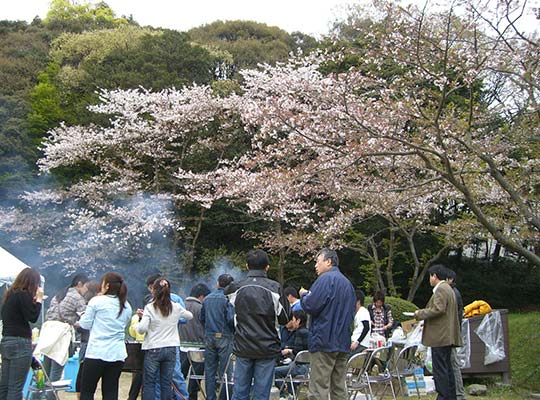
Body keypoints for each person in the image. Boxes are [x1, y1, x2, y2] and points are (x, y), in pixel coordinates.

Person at [224, 250, 291, 400]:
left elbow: (229, 313)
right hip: (267, 348)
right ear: (267, 267)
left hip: (243, 346)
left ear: (247, 266)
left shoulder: (235, 288)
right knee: (261, 394)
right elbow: (285, 318)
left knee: (240, 393)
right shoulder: (275, 288)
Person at [299, 248, 355, 400]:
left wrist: (304, 296)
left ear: (328, 262)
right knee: (339, 387)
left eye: (318, 262)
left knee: (319, 388)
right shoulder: (347, 284)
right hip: (342, 341)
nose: (315, 266)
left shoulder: (325, 279)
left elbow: (311, 305)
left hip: (324, 341)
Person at [135, 277, 193, 400]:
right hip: (171, 347)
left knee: (150, 382)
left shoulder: (150, 307)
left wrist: (136, 325)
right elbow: (189, 316)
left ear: (154, 290)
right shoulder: (175, 306)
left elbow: (142, 329)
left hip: (154, 348)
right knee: (166, 382)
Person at [78, 272, 132, 400]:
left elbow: (85, 324)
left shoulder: (97, 301)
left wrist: (82, 317)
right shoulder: (126, 305)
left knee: (87, 391)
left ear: (107, 286)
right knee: (111, 392)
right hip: (117, 354)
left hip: (97, 352)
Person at [414, 264, 462, 400]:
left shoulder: (441, 289)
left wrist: (419, 313)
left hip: (440, 336)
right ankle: (451, 396)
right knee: (447, 368)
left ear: (435, 276)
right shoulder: (448, 288)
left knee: (440, 369)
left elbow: (438, 309)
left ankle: (443, 396)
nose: (429, 279)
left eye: (430, 276)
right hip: (447, 335)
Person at [0, 267, 44, 400]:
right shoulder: (23, 294)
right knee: (15, 387)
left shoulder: (9, 295)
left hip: (7, 340)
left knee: (5, 385)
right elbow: (32, 316)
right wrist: (39, 300)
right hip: (20, 342)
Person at [43, 273, 89, 393]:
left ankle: (38, 396)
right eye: (85, 287)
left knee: (46, 371)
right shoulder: (77, 297)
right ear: (79, 284)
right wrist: (77, 324)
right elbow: (85, 318)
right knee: (56, 371)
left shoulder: (59, 294)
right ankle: (51, 396)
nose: (86, 290)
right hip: (61, 334)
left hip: (48, 331)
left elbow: (50, 313)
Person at [200, 274, 235, 400]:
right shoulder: (228, 299)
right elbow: (231, 319)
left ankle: (210, 397)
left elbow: (202, 318)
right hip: (225, 336)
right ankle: (225, 397)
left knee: (209, 370)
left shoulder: (207, 299)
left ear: (218, 283)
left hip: (209, 337)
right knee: (225, 371)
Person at [179, 283, 210, 400]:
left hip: (181, 345)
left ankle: (178, 396)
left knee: (181, 375)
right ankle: (192, 397)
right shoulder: (201, 308)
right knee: (195, 377)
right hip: (198, 347)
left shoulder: (181, 305)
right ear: (201, 296)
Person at [273, 310, 309, 399]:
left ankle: (282, 395)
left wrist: (289, 351)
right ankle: (291, 393)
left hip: (299, 367)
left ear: (298, 321)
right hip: (307, 367)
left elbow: (298, 351)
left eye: (293, 319)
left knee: (274, 371)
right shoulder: (308, 332)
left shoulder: (299, 333)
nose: (292, 321)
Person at [75, 281, 101, 399]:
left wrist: (79, 324)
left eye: (85, 290)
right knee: (83, 374)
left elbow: (84, 326)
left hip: (89, 343)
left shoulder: (92, 305)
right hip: (87, 342)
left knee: (84, 375)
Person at [446, 268, 466, 400]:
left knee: (453, 363)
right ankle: (454, 392)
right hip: (452, 333)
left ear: (451, 280)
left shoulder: (453, 294)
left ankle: (459, 394)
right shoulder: (453, 292)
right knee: (450, 363)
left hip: (451, 334)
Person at [350, 289, 371, 354]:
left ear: (358, 301)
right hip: (356, 342)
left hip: (360, 344)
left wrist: (357, 342)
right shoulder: (359, 312)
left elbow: (366, 327)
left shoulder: (363, 311)